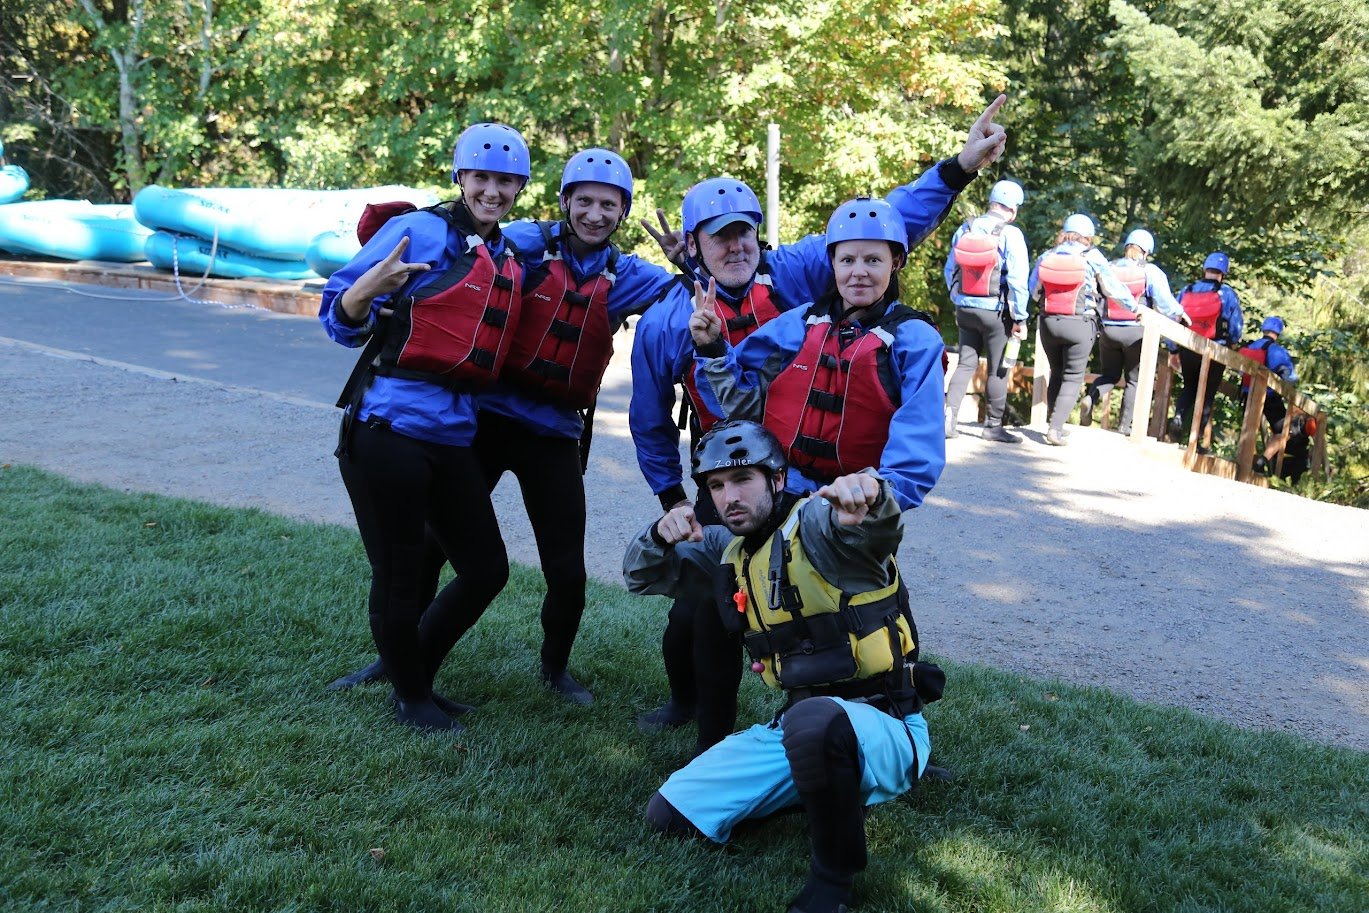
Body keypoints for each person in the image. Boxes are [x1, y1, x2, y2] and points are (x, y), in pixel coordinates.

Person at [630, 95, 1006, 740]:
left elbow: (889, 221)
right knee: (711, 609)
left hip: (837, 492)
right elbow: (662, 416)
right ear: (693, 247)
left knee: (864, 608)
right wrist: (673, 493)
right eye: (718, 238)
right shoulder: (677, 317)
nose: (735, 246)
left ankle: (891, 724)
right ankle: (701, 723)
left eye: (743, 232)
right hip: (737, 476)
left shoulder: (803, 278)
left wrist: (960, 166)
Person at [327, 147, 679, 705]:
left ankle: (554, 668)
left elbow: (686, 298)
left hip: (555, 432)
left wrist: (690, 263)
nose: (594, 214)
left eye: (608, 205)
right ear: (564, 202)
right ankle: (396, 661)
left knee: (566, 569)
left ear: (623, 211)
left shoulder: (628, 275)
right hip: (485, 421)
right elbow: (455, 254)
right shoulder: (522, 245)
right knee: (430, 550)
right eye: (583, 201)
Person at [624, 420, 944, 913]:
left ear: (777, 479)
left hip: (889, 724)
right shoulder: (727, 550)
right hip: (799, 730)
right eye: (716, 486)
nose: (730, 496)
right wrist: (657, 533)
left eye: (743, 480)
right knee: (670, 813)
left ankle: (833, 885)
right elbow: (639, 576)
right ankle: (824, 785)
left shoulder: (819, 523)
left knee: (812, 721)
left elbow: (874, 529)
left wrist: (870, 495)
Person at [319, 122, 529, 732]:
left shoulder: (507, 252)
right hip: (386, 429)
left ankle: (410, 669)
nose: (492, 191)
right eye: (481, 178)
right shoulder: (415, 230)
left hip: (453, 436)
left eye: (505, 181)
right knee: (401, 569)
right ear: (460, 179)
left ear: (519, 187)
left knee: (486, 569)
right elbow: (335, 315)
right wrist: (366, 291)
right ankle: (411, 698)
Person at [1027, 213, 1138, 445]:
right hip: (1080, 323)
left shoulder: (1047, 255)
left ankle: (1052, 422)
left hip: (1048, 323)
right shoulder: (1092, 256)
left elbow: (1033, 288)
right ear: (1088, 236)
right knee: (1073, 377)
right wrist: (1133, 306)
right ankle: (1056, 429)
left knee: (1056, 372)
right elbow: (1112, 288)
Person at [941, 178, 1031, 443]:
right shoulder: (1011, 234)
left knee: (966, 363)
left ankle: (949, 420)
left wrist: (958, 298)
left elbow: (950, 269)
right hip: (996, 313)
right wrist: (1020, 318)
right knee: (997, 369)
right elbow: (1017, 280)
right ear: (1013, 208)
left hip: (966, 309)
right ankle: (993, 427)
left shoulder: (966, 227)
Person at [1078, 228, 1190, 435]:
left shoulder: (1109, 266)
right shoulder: (1150, 271)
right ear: (1146, 252)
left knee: (1109, 375)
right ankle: (1124, 427)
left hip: (1109, 331)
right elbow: (1165, 303)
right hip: (1136, 333)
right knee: (1133, 380)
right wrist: (1181, 314)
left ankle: (1090, 397)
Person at [1167, 251, 1243, 447]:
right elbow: (1235, 327)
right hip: (1216, 349)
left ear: (1205, 269)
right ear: (1223, 272)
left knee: (1189, 387)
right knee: (1207, 394)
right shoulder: (1227, 293)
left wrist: (1173, 349)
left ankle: (1178, 417)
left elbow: (1173, 320)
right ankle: (1196, 440)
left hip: (1189, 347)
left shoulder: (1187, 289)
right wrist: (1232, 345)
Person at [1239, 315, 1299, 466]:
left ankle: (1242, 460)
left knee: (1249, 427)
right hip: (1268, 398)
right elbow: (1290, 377)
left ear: (1263, 329)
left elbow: (1239, 370)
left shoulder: (1250, 347)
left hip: (1247, 394)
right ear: (1278, 333)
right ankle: (1262, 461)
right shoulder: (1277, 351)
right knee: (1286, 429)